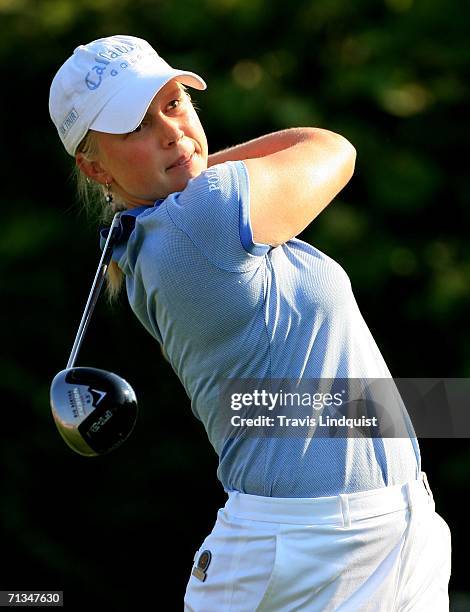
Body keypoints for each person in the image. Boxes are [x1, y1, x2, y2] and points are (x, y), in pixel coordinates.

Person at [49, 35, 451, 611]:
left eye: (173, 103)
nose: (170, 130)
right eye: (135, 125)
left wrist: (448, 408)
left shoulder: (156, 233)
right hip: (309, 551)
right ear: (93, 166)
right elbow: (328, 146)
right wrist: (198, 166)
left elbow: (297, 405)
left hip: (385, 530)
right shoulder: (202, 219)